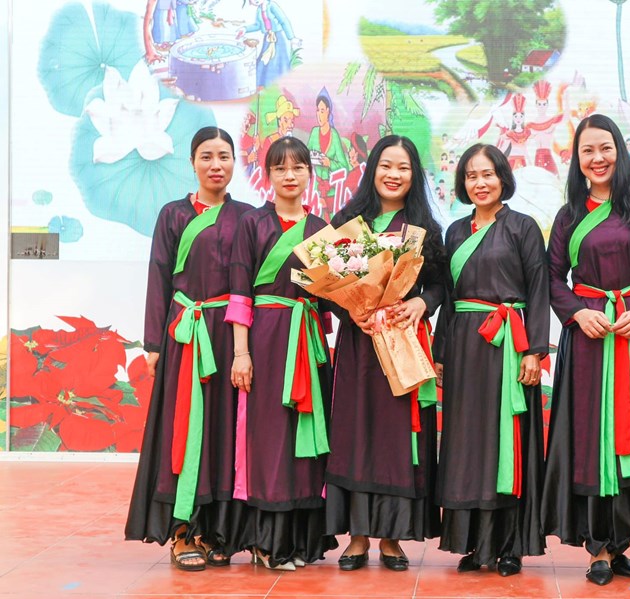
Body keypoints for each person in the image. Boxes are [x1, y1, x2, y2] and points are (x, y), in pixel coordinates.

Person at [542, 114, 630, 586]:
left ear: (620, 151)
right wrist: (578, 314)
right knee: (588, 436)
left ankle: (622, 543)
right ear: (576, 159)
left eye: (605, 148)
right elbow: (552, 278)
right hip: (588, 339)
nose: (597, 158)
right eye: (587, 151)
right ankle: (596, 546)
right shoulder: (569, 215)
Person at [125, 127, 253, 571]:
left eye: (224, 156)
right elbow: (158, 274)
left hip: (230, 336)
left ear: (235, 162)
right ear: (192, 162)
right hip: (186, 335)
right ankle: (182, 531)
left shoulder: (247, 217)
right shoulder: (173, 215)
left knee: (224, 431)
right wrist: (155, 343)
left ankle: (217, 530)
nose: (216, 165)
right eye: (206, 156)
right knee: (184, 430)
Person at [325, 135, 446, 572]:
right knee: (356, 434)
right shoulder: (347, 221)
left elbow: (440, 285)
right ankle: (357, 536)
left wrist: (421, 304)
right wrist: (350, 310)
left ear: (414, 176)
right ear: (372, 169)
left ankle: (392, 536)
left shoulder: (425, 228)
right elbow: (326, 286)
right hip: (359, 346)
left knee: (397, 439)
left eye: (404, 168)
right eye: (386, 165)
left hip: (402, 343)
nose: (394, 175)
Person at [433, 144, 549, 576]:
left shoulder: (523, 227)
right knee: (467, 445)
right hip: (464, 347)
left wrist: (535, 351)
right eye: (471, 176)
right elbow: (448, 298)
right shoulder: (454, 232)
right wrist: (441, 353)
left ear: (503, 177)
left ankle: (509, 546)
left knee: (507, 444)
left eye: (487, 174)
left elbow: (539, 289)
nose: (479, 183)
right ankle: (474, 546)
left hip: (508, 348)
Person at [225, 137, 337, 570]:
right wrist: (241, 353)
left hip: (308, 344)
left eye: (298, 167)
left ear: (310, 172)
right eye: (280, 168)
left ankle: (303, 542)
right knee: (269, 439)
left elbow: (332, 297)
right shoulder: (252, 225)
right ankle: (266, 542)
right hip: (266, 343)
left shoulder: (322, 229)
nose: (290, 176)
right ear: (268, 175)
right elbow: (240, 293)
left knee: (305, 441)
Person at [307, 88, 350, 215]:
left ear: (328, 111)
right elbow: (304, 157)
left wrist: (329, 163)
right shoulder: (314, 132)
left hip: (331, 190)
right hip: (315, 189)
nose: (319, 115)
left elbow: (345, 167)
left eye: (322, 111)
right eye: (317, 111)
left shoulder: (334, 135)